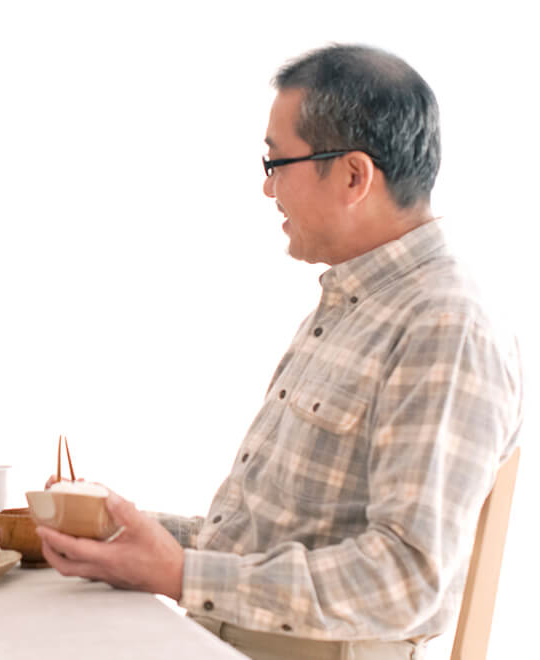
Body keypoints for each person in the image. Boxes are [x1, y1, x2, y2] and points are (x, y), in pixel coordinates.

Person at [35, 44, 523, 660]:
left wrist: (181, 574)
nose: (269, 188)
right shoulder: (350, 305)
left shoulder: (446, 326)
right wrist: (127, 529)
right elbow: (266, 542)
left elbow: (405, 580)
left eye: (276, 162)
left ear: (353, 175)